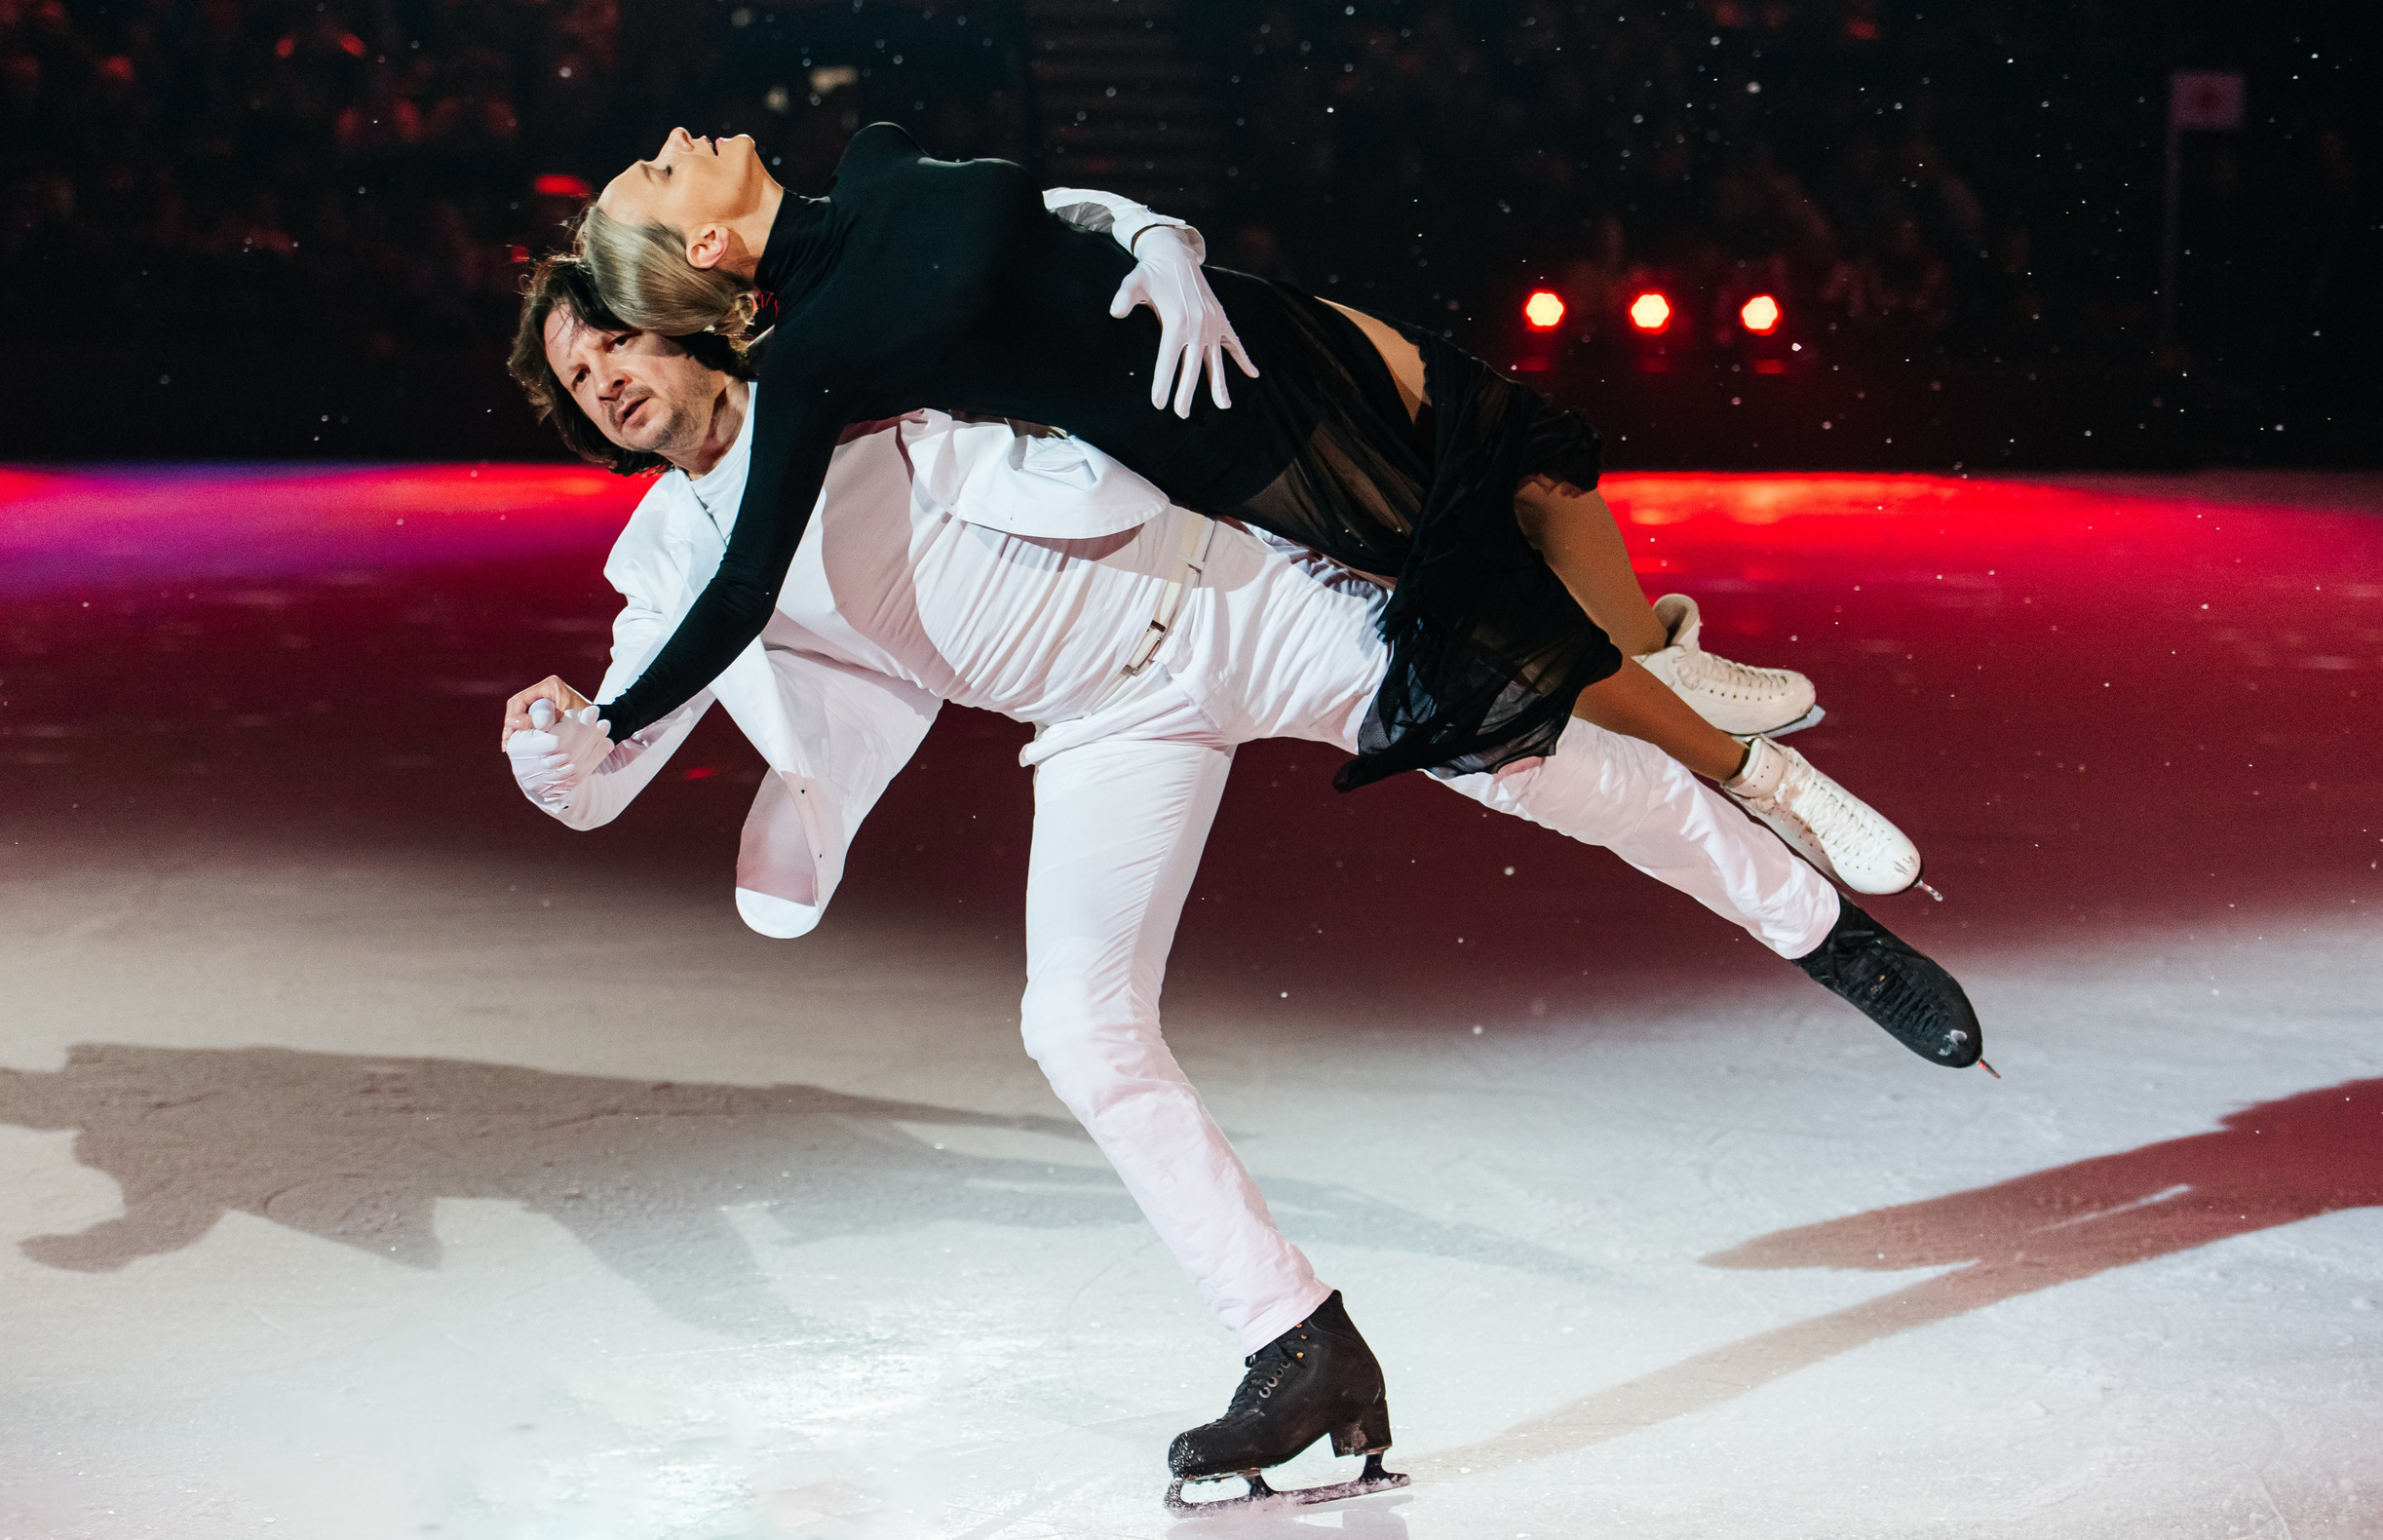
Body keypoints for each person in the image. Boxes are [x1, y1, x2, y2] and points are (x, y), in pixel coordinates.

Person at [497, 259, 1986, 1512]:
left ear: (671, 321)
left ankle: (1825, 931)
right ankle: (1299, 1342)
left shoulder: (849, 362)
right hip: (1101, 730)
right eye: (577, 379)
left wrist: (1154, 249)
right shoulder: (670, 553)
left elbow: (1020, 243)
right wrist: (552, 741)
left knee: (1542, 764)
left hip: (1229, 592)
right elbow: (610, 755)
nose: (605, 382)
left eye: (611, 342)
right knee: (1075, 1025)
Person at [568, 125, 1924, 897]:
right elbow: (740, 589)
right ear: (709, 247)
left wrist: (1161, 243)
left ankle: (1661, 665)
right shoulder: (818, 362)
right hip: (1236, 437)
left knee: (1533, 455)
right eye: (660, 174)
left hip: (1258, 323)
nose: (676, 142)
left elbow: (1062, 209)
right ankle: (1766, 782)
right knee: (1508, 620)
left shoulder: (875, 161)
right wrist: (618, 717)